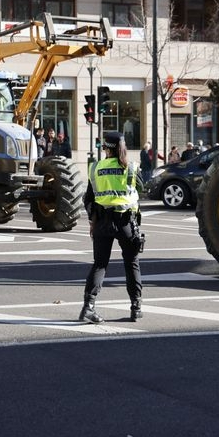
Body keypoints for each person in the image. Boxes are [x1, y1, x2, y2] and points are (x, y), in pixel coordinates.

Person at [79, 131, 145, 324]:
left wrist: (92, 221)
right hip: (126, 221)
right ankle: (136, 307)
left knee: (100, 264)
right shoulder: (131, 168)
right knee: (131, 262)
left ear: (105, 148)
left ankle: (88, 307)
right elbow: (140, 188)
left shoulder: (95, 168)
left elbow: (88, 199)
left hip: (101, 221)